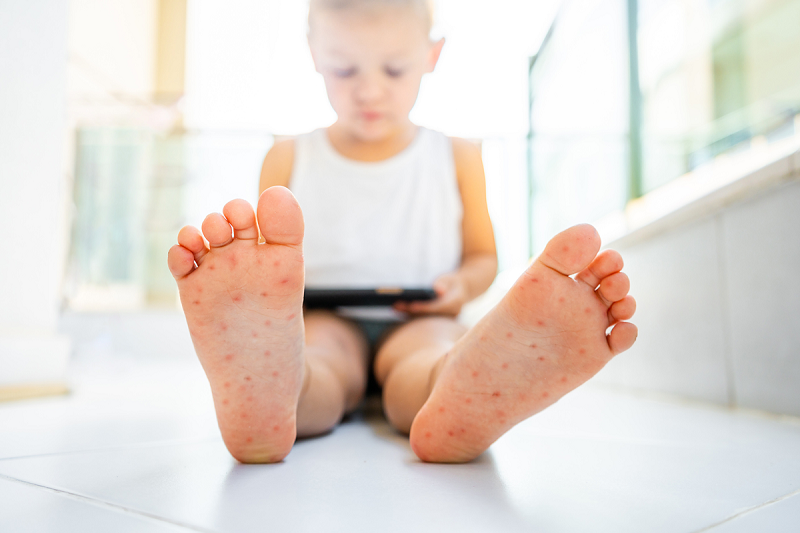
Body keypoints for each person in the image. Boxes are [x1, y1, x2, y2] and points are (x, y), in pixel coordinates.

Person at [167, 0, 638, 464]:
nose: (369, 90)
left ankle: (461, 395)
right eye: (344, 70)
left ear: (432, 56)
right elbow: (271, 262)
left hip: (419, 316)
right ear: (314, 54)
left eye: (393, 70)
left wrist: (459, 288)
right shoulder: (288, 156)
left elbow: (481, 258)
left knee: (425, 358)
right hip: (324, 317)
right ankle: (273, 398)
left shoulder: (458, 156)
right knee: (319, 362)